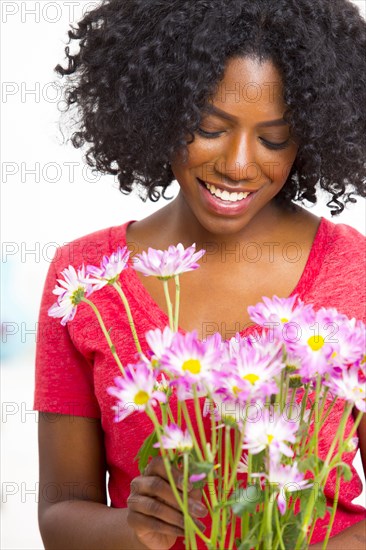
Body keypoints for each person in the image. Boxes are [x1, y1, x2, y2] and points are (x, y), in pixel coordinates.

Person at [34, 0, 366, 548]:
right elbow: (60, 515)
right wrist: (135, 528)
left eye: (274, 139)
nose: (238, 165)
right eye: (210, 127)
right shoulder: (87, 280)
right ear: (160, 110)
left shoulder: (354, 271)